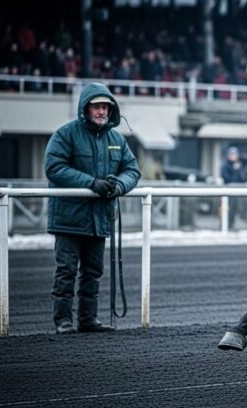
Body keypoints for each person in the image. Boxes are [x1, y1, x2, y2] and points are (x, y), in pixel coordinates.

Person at [44, 82, 141, 334]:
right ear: (85, 109)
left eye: (105, 107)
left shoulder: (116, 139)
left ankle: (88, 320)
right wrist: (91, 183)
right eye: (97, 107)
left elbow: (132, 170)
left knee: (93, 272)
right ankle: (63, 321)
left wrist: (119, 186)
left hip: (100, 218)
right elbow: (53, 168)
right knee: (66, 271)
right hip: (69, 218)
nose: (101, 112)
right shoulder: (65, 134)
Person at [220, 146, 247, 229]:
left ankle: (232, 225)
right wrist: (235, 170)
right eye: (231, 154)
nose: (233, 156)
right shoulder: (225, 166)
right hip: (227, 193)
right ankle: (224, 226)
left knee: (235, 210)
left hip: (237, 192)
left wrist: (238, 169)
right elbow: (228, 179)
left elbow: (243, 179)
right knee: (226, 211)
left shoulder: (239, 165)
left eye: (235, 154)